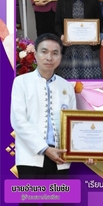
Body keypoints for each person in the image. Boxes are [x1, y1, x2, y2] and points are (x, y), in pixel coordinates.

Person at [11, 33, 76, 178]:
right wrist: (44, 148)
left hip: (60, 158)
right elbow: (18, 121)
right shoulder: (21, 82)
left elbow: (74, 124)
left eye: (55, 53)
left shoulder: (66, 86)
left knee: (57, 194)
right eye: (44, 52)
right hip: (30, 158)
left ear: (60, 57)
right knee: (32, 194)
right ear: (35, 54)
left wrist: (85, 152)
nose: (49, 57)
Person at [55, 0, 102, 79]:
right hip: (70, 49)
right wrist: (62, 36)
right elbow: (57, 24)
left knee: (90, 83)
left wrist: (97, 36)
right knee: (69, 85)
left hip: (89, 49)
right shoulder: (62, 1)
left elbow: (100, 21)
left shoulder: (93, 0)